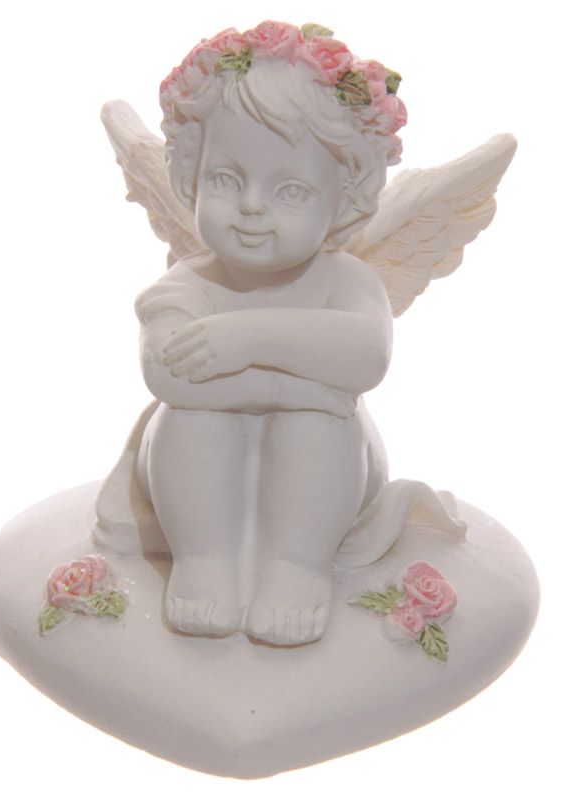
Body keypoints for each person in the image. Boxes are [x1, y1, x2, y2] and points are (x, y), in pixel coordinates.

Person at [134, 21, 406, 645]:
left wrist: (248, 339)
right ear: (189, 175)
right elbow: (171, 379)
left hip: (333, 478)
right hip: (193, 485)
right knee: (193, 421)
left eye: (290, 190)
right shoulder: (188, 282)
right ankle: (204, 560)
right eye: (226, 181)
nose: (252, 206)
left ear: (344, 199)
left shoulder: (347, 280)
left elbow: (366, 357)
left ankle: (297, 568)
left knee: (319, 428)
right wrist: (307, 386)